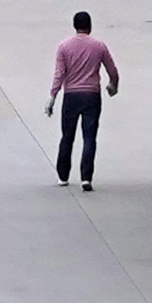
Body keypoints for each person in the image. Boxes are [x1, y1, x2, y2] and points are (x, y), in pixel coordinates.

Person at [49, 11, 120, 188]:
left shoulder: (64, 47)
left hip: (71, 96)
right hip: (91, 96)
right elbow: (112, 69)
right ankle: (86, 177)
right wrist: (113, 85)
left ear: (75, 26)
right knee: (89, 137)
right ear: (90, 26)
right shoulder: (99, 46)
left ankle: (63, 176)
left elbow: (60, 74)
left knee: (67, 136)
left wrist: (52, 96)